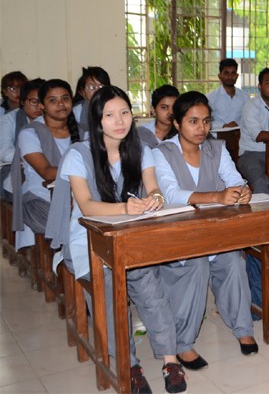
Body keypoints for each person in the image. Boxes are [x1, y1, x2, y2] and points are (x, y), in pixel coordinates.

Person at [49, 86, 188, 394]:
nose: (120, 121)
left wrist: (153, 199)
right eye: (109, 115)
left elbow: (154, 189)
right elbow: (86, 206)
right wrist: (126, 207)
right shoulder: (78, 154)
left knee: (150, 288)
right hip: (88, 242)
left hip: (128, 238)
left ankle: (170, 359)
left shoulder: (141, 150)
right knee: (111, 292)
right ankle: (130, 365)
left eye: (124, 112)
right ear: (96, 120)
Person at [154, 91, 259, 370]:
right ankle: (183, 343)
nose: (201, 129)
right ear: (176, 123)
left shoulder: (217, 148)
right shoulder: (161, 153)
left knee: (234, 262)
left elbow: (234, 178)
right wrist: (217, 196)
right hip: (179, 235)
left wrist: (243, 190)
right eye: (193, 121)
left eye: (206, 121)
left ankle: (242, 327)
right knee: (197, 265)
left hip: (213, 232)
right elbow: (171, 193)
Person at [11, 79, 81, 238]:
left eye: (65, 98)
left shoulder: (83, 132)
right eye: (52, 100)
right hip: (40, 198)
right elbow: (47, 172)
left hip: (78, 195)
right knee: (72, 227)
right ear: (41, 105)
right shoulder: (29, 133)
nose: (61, 104)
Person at [0, 78, 44, 198]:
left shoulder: (52, 119)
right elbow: (4, 153)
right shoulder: (8, 120)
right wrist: (35, 156)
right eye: (34, 102)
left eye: (43, 101)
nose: (39, 107)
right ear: (23, 101)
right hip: (15, 169)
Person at [206, 58, 249, 128]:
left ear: (237, 76)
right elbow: (206, 121)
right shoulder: (211, 97)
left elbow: (248, 118)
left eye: (233, 73)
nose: (230, 77)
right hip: (218, 136)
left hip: (240, 136)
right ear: (219, 76)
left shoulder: (245, 97)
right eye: (226, 73)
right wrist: (224, 126)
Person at [137, 84, 179, 148]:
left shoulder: (182, 134)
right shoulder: (141, 134)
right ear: (153, 110)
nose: (171, 112)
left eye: (174, 107)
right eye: (164, 107)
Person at [72, 66, 111, 133]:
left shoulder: (115, 107)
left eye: (102, 86)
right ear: (83, 92)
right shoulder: (77, 111)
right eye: (91, 87)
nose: (97, 90)